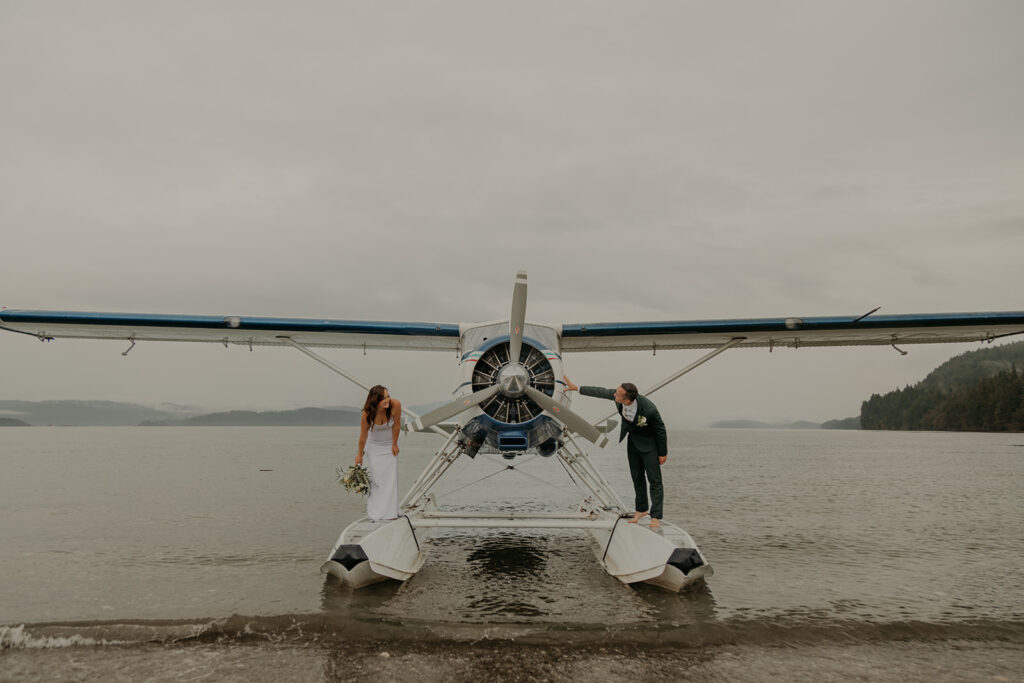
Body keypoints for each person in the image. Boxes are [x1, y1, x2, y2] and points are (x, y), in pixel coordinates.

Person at [562, 375, 668, 529]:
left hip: (650, 446)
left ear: (627, 400)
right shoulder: (618, 397)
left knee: (655, 480)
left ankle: (656, 516)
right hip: (633, 443)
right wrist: (576, 388)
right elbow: (600, 391)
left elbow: (660, 429)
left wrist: (663, 453)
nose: (614, 395)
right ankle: (641, 510)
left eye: (617, 394)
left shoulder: (649, 409)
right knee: (637, 478)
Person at [356, 385, 402, 521]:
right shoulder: (366, 414)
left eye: (388, 396)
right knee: (376, 479)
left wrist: (394, 444)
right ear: (375, 400)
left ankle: (391, 512)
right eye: (383, 398)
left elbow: (397, 426)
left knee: (390, 478)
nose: (387, 400)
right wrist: (359, 455)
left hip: (389, 445)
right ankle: (376, 512)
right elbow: (363, 436)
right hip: (374, 446)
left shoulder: (395, 405)